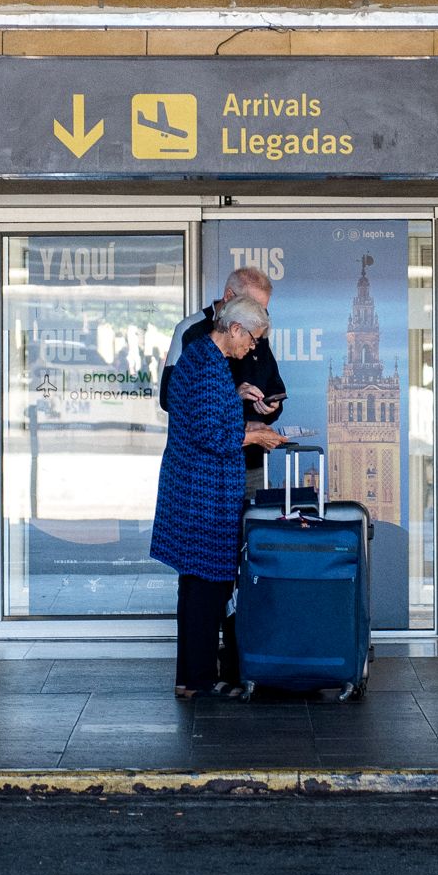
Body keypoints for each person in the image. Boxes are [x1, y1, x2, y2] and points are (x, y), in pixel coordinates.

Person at [151, 294, 285, 699]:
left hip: (191, 491)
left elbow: (199, 412)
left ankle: (191, 679)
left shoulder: (202, 359)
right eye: (253, 339)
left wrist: (237, 394)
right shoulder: (209, 367)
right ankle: (200, 682)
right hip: (202, 496)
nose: (254, 347)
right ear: (235, 329)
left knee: (195, 588)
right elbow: (212, 434)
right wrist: (257, 434)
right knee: (208, 589)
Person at [166, 267, 286, 492]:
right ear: (235, 327)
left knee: (249, 526)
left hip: (246, 463)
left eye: (264, 310)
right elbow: (183, 408)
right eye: (253, 307)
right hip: (202, 474)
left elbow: (274, 384)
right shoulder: (199, 346)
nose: (252, 346)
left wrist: (267, 410)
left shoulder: (251, 335)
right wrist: (249, 429)